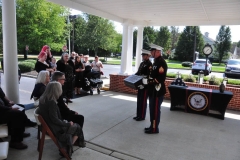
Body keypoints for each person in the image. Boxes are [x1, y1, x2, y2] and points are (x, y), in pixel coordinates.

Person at [38, 82, 85, 157]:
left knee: (74, 124)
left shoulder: (43, 98)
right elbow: (55, 120)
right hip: (55, 128)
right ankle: (67, 148)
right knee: (77, 127)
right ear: (56, 90)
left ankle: (68, 146)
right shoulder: (51, 102)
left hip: (47, 125)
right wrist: (68, 124)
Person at [144, 44, 167, 134]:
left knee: (155, 110)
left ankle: (154, 128)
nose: (150, 53)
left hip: (157, 91)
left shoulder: (161, 62)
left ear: (157, 52)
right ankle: (152, 126)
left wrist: (150, 82)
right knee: (152, 109)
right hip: (153, 90)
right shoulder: (156, 61)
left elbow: (161, 78)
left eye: (152, 51)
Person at [133, 49, 152, 121]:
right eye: (142, 55)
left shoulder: (149, 64)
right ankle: (138, 115)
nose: (143, 56)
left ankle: (142, 116)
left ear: (148, 56)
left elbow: (148, 75)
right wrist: (132, 77)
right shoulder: (142, 63)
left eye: (144, 55)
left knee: (143, 101)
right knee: (139, 100)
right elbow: (138, 72)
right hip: (140, 84)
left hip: (145, 85)